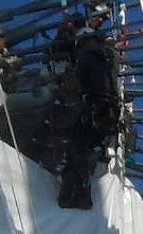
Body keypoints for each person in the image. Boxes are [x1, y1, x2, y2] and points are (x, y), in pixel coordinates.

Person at [58, 26, 121, 209]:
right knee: (86, 150)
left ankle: (71, 194)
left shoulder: (87, 56)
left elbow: (73, 85)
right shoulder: (110, 58)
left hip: (94, 109)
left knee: (77, 149)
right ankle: (83, 195)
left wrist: (62, 79)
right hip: (109, 113)